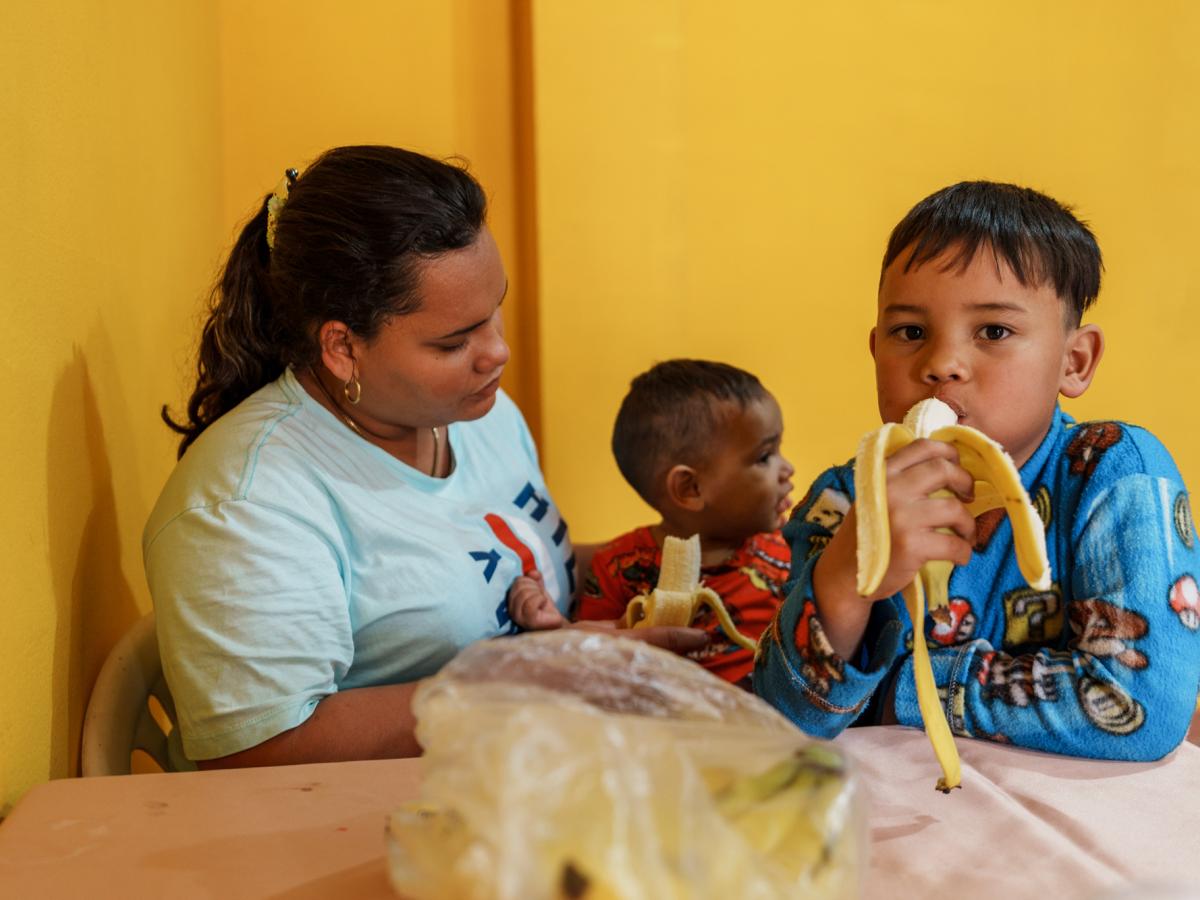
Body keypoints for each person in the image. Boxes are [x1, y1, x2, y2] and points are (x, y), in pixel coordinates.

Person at [144, 146, 706, 769]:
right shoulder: (246, 502)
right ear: (342, 348)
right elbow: (260, 752)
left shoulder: (475, 414)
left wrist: (676, 559)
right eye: (453, 341)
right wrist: (531, 685)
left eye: (495, 312)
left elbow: (505, 562)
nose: (498, 352)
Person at [753, 181, 1200, 761]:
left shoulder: (1111, 472)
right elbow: (776, 728)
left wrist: (893, 695)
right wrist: (844, 578)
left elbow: (1137, 703)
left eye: (993, 332)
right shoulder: (844, 502)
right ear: (874, 350)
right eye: (910, 332)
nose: (940, 364)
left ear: (1074, 361)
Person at [510, 359, 795, 688]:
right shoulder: (618, 568)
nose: (787, 469)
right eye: (765, 457)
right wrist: (553, 627)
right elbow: (591, 661)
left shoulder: (791, 554)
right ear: (690, 489)